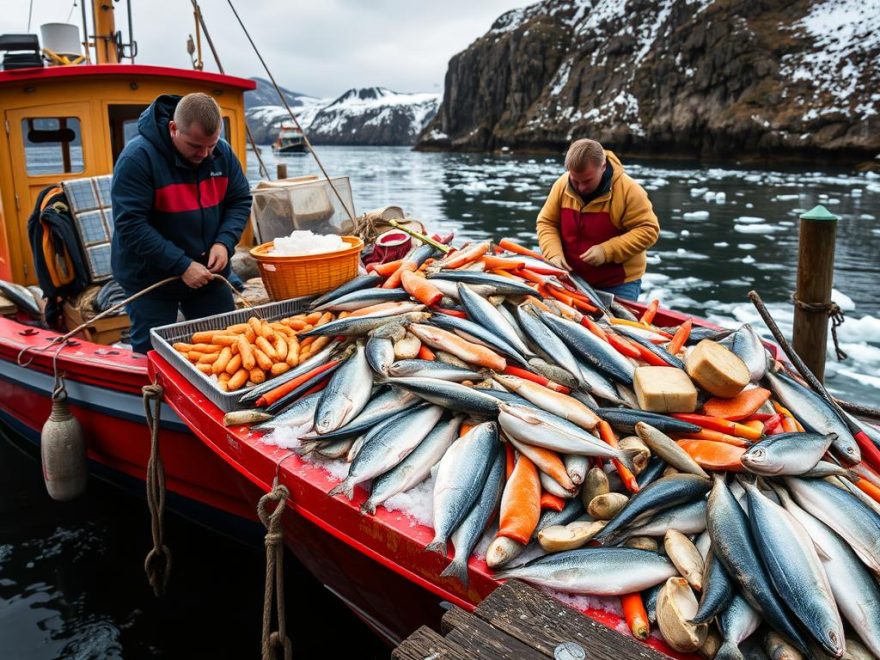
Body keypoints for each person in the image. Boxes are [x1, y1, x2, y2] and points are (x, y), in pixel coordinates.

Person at [111, 93, 251, 354]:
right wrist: (182, 265)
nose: (205, 154)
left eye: (211, 145)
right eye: (195, 146)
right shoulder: (137, 159)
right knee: (154, 354)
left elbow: (240, 200)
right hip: (150, 278)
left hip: (208, 273)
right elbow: (131, 225)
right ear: (173, 128)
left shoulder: (221, 153)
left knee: (226, 346)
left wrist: (224, 242)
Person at [536, 138, 659, 300]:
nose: (580, 187)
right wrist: (553, 255)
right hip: (571, 279)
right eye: (575, 180)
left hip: (618, 284)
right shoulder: (561, 185)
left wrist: (606, 251)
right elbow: (547, 223)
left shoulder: (629, 191)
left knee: (611, 326)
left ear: (603, 167)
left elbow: (649, 231)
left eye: (587, 181)